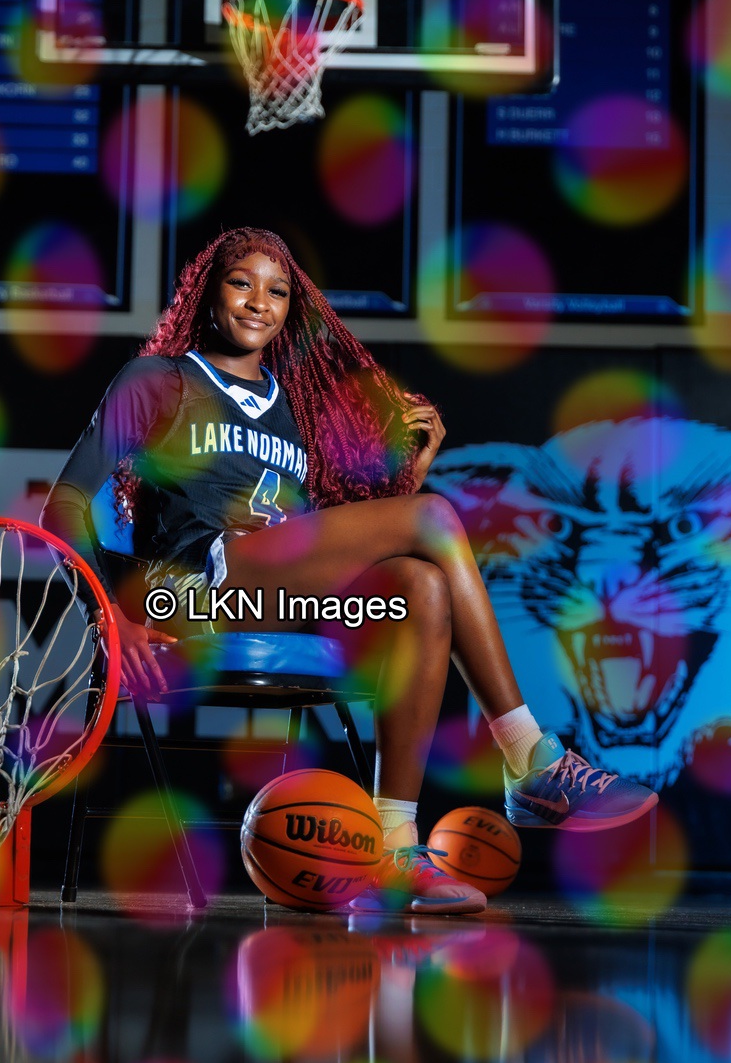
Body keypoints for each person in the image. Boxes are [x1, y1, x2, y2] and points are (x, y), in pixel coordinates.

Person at [42, 228, 657, 915]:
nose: (258, 302)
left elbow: (328, 548)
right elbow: (63, 503)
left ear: (290, 310)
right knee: (434, 518)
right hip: (193, 595)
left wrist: (412, 474)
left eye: (277, 291)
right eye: (241, 283)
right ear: (206, 292)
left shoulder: (293, 408)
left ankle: (395, 850)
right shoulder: (160, 381)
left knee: (422, 586)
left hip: (278, 598)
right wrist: (108, 613)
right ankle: (529, 756)